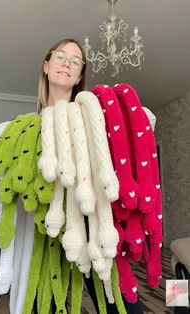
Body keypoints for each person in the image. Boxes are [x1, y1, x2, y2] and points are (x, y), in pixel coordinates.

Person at [34, 37, 144, 314]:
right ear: (46, 66)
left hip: (96, 226)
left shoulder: (96, 115)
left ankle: (180, 302)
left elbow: (137, 125)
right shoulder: (28, 127)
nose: (67, 64)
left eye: (75, 61)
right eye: (60, 57)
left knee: (125, 305)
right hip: (47, 231)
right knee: (43, 303)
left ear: (80, 75)